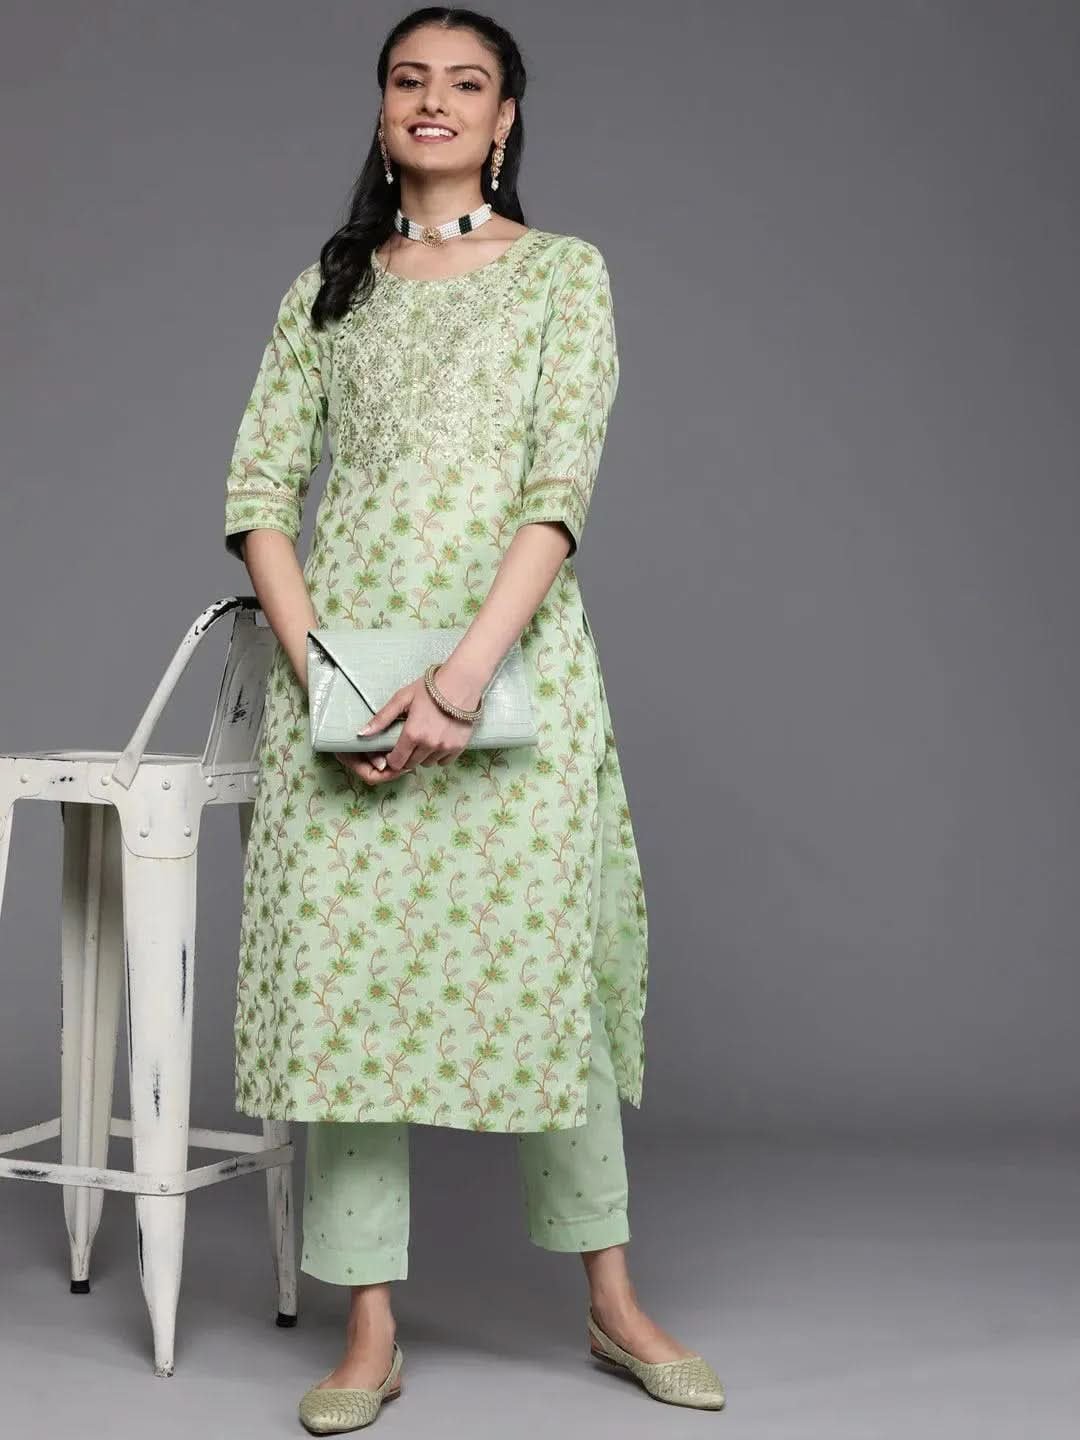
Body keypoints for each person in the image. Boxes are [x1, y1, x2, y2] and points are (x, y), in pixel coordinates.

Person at [223, 6, 724, 1431]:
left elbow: (559, 490)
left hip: (513, 670)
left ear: (505, 119)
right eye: (409, 79)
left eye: (466, 83)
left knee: (547, 982)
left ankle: (613, 1305)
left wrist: (462, 680)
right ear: (382, 108)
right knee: (350, 999)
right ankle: (369, 1329)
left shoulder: (565, 274)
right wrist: (328, 684)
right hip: (343, 693)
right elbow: (259, 492)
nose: (433, 100)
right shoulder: (328, 289)